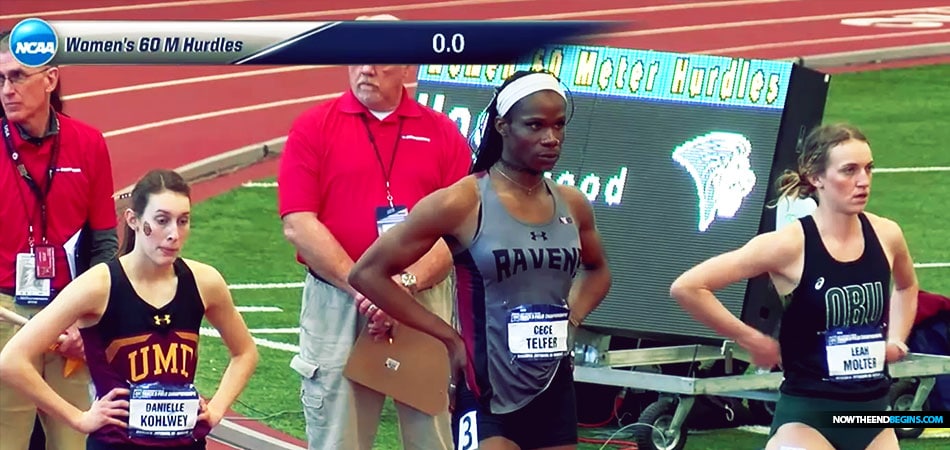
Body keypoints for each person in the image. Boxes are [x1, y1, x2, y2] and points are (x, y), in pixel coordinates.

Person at [349, 69, 613, 450]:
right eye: (535, 126)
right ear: (503, 126)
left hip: (553, 386)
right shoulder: (462, 201)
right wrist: (450, 340)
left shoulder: (572, 204)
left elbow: (599, 270)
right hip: (485, 389)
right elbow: (368, 273)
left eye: (558, 126)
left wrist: (570, 319)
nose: (551, 139)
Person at [276, 14, 474, 450]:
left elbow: (457, 231)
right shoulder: (312, 128)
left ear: (409, 68)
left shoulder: (443, 134)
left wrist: (402, 285)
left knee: (432, 433)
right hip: (339, 298)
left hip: (421, 297)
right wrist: (365, 287)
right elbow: (298, 222)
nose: (365, 68)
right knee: (337, 434)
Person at [669, 123, 918, 450]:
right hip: (807, 416)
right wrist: (750, 339)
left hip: (872, 414)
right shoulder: (788, 245)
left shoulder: (887, 235)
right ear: (817, 178)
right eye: (849, 170)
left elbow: (906, 287)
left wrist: (897, 340)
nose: (863, 181)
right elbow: (688, 287)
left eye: (868, 169)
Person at [0, 169, 259, 450]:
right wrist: (79, 419)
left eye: (183, 221)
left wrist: (217, 409)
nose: (174, 234)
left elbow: (245, 352)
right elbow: (12, 360)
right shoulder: (99, 285)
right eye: (162, 221)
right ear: (133, 221)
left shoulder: (204, 282)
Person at [0, 30, 119, 450]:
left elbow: (105, 242)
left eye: (17, 77)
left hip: (70, 318)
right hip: (5, 317)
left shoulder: (88, 143)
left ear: (50, 79)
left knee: (72, 441)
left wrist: (85, 319)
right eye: (0, 80)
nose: (7, 90)